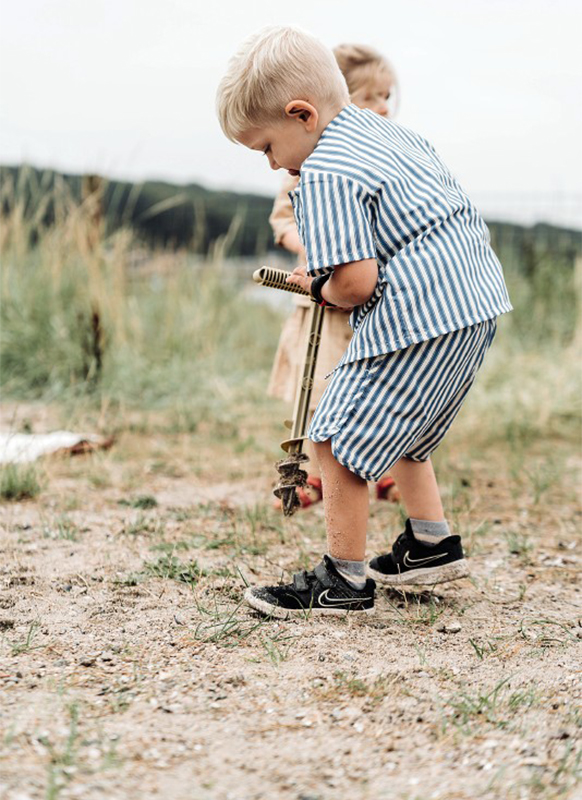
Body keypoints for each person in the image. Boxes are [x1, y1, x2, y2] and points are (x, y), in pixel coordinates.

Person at [216, 26, 512, 618]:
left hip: (416, 316)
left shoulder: (322, 170)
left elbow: (355, 285)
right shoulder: (389, 135)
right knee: (404, 430)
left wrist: (320, 285)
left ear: (301, 115)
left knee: (334, 436)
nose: (273, 163)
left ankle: (341, 581)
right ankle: (430, 543)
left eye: (267, 148)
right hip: (475, 303)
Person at [268, 43, 400, 508]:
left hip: (368, 299)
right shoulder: (306, 164)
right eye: (372, 97)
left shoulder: (382, 156)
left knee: (376, 384)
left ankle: (379, 467)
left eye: (388, 97)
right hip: (319, 298)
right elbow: (283, 219)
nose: (384, 107)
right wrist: (309, 244)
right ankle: (317, 475)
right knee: (323, 384)